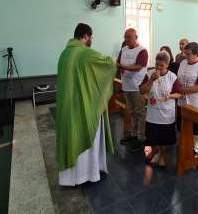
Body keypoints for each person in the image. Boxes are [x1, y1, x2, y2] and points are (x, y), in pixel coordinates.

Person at [56, 23, 116, 186]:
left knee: (71, 136)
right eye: (91, 37)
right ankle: (88, 174)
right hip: (84, 105)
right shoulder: (85, 53)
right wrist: (114, 59)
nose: (91, 41)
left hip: (67, 105)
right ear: (87, 36)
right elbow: (108, 64)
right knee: (87, 133)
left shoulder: (65, 53)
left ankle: (70, 178)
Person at [140, 51, 182, 167]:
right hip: (153, 114)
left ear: (167, 65)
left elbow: (179, 94)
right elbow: (142, 90)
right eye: (157, 64)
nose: (158, 67)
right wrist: (151, 80)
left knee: (164, 138)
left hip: (166, 114)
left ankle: (162, 156)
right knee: (152, 136)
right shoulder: (149, 74)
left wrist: (169, 96)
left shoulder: (172, 77)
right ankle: (154, 151)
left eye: (161, 65)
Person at [117, 28, 148, 152]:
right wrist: (120, 67)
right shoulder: (123, 49)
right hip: (126, 85)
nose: (126, 39)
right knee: (131, 111)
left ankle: (142, 138)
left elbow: (139, 67)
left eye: (129, 37)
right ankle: (134, 134)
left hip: (138, 86)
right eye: (125, 37)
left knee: (140, 113)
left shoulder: (142, 51)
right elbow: (118, 63)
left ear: (136, 37)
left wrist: (123, 67)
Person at [177, 42, 198, 153]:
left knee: (194, 128)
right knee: (181, 124)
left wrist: (182, 90)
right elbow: (178, 78)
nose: (186, 56)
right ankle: (182, 146)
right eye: (185, 53)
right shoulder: (183, 62)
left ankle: (191, 149)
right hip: (181, 100)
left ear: (196, 54)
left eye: (188, 54)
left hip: (194, 102)